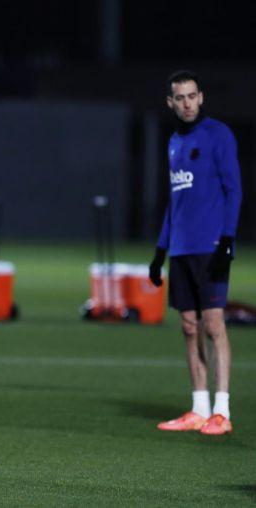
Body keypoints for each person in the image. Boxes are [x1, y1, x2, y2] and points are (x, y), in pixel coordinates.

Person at [149, 70, 242, 436]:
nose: (186, 103)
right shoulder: (173, 142)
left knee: (214, 324)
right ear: (170, 102)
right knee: (189, 327)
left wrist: (228, 239)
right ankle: (198, 408)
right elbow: (175, 203)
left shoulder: (218, 135)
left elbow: (234, 190)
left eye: (191, 96)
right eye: (179, 98)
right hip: (182, 249)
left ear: (201, 97)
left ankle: (222, 410)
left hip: (211, 246)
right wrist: (160, 251)